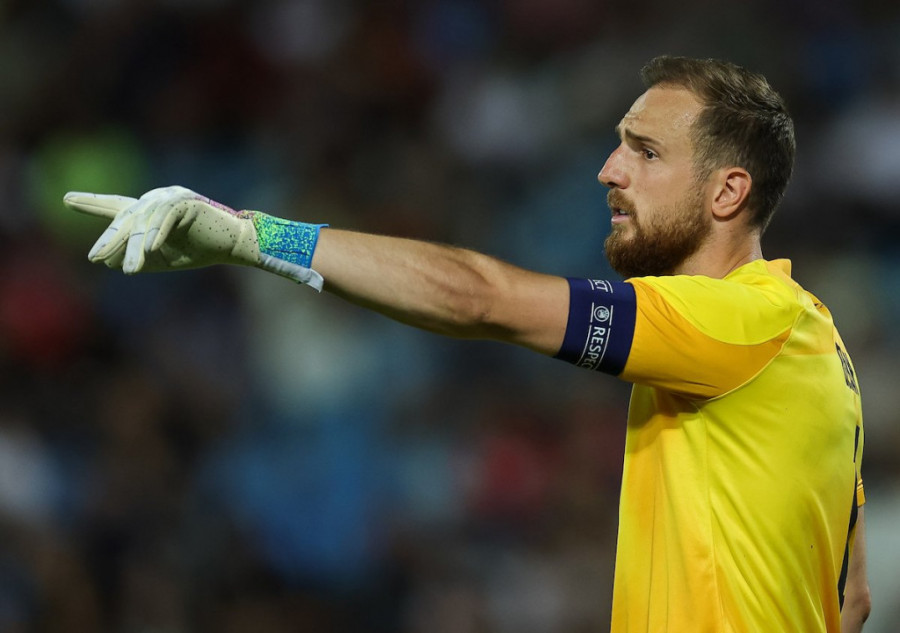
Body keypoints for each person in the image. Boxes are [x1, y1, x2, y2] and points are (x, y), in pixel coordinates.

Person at [65, 56, 870, 632]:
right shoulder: (815, 347)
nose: (608, 169)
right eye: (619, 142)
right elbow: (851, 600)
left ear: (728, 191)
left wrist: (250, 235)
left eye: (646, 151)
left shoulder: (737, 321)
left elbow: (478, 297)